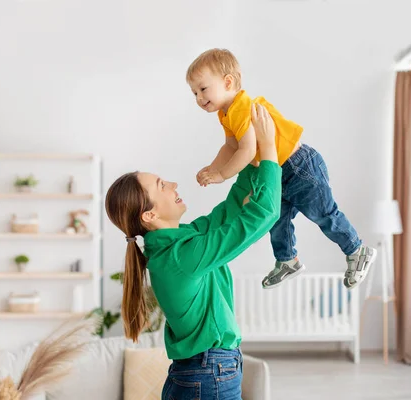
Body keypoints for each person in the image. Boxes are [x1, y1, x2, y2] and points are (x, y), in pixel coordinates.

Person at [105, 104, 280, 400]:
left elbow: (229, 212)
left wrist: (249, 157)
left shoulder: (180, 241)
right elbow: (263, 215)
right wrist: (270, 149)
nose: (173, 184)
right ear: (149, 215)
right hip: (209, 374)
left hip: (202, 372)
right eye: (162, 185)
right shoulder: (179, 257)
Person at [186, 48, 376, 289]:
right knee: (276, 220)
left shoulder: (242, 107)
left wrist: (222, 174)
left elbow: (246, 150)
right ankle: (287, 260)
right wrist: (212, 168)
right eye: (194, 93)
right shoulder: (226, 114)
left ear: (227, 82)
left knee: (323, 214)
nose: (199, 98)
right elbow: (230, 146)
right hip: (278, 171)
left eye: (203, 89)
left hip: (299, 166)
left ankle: (357, 250)